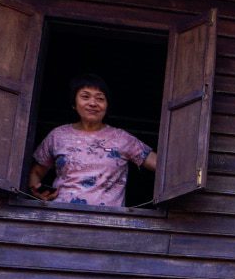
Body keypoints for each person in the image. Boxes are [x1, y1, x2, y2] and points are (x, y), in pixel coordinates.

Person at [27, 74, 157, 207]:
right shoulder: (58, 135)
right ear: (74, 103)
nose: (93, 103)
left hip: (107, 221)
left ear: (107, 106)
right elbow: (36, 172)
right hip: (61, 216)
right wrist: (37, 191)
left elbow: (160, 166)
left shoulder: (122, 138)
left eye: (100, 98)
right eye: (85, 97)